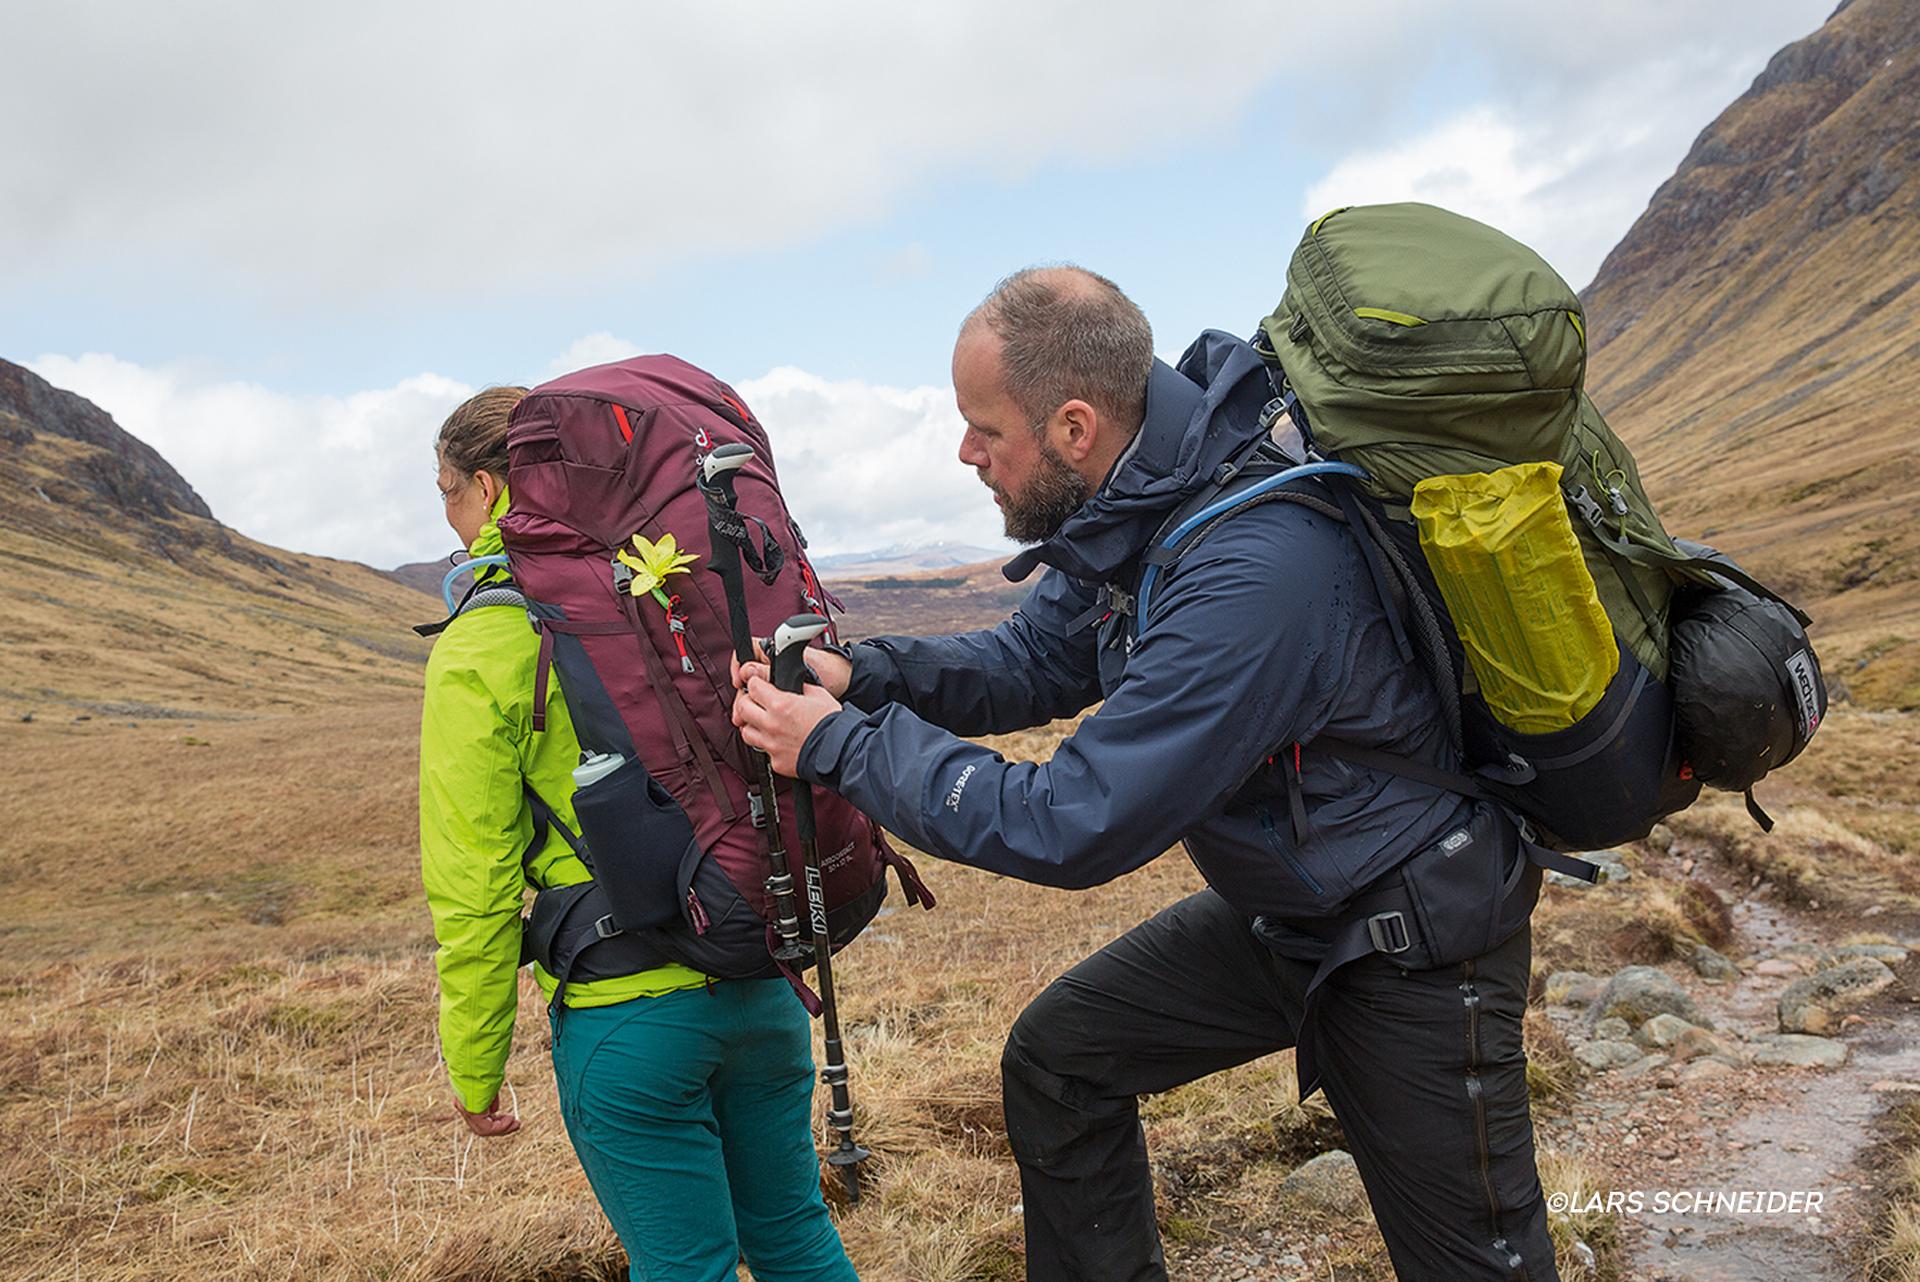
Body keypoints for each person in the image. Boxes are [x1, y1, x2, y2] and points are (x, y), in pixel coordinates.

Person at [732, 268, 1559, 1281]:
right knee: (1062, 1061)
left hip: (1411, 940)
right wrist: (871, 676)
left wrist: (840, 746)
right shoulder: (1143, 499)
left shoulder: (1255, 566)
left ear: (1074, 425)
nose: (965, 452)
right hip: (1292, 912)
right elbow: (1036, 659)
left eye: (984, 428)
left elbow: (1077, 819)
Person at [418, 386, 860, 1282]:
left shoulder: (478, 650)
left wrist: (475, 1064)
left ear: (493, 488)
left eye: (447, 492)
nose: (448, 518)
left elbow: (475, 884)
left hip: (627, 1021)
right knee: (795, 1238)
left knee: (684, 1266)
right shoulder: (668, 598)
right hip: (756, 979)